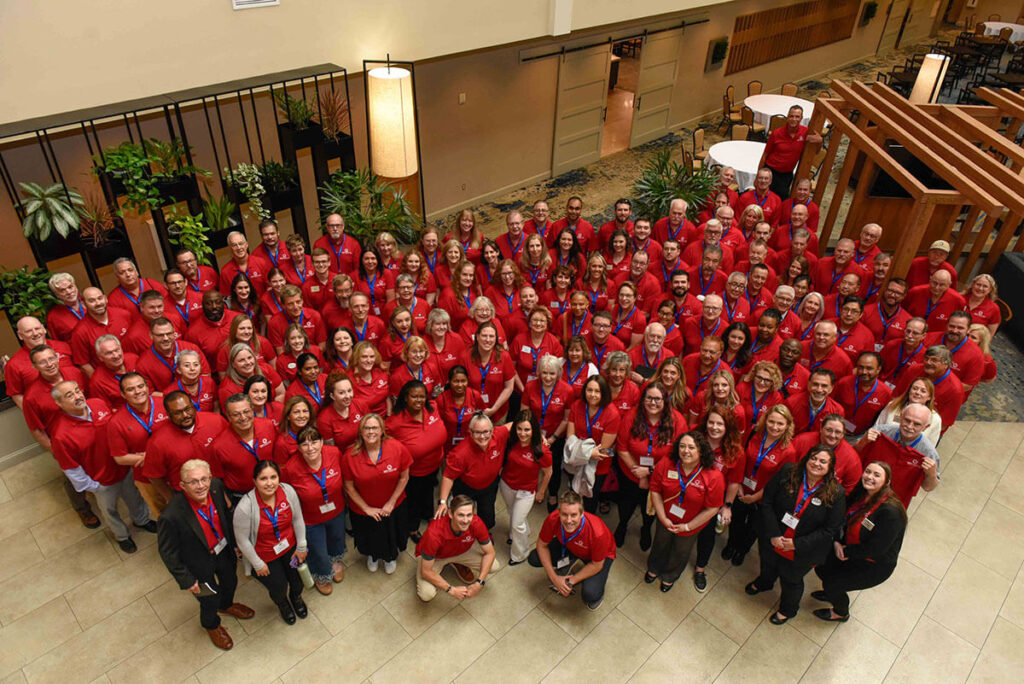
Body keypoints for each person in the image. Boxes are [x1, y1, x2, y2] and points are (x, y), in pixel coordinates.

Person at [156, 459, 255, 650]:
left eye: (204, 479)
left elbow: (226, 517)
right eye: (193, 482)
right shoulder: (171, 515)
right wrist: (186, 579)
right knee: (209, 599)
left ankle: (226, 605)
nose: (200, 486)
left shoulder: (216, 487)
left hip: (224, 551)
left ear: (210, 478)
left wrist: (235, 544)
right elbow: (167, 552)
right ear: (182, 485)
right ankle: (211, 624)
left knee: (230, 582)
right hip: (197, 563)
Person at [49, 381, 155, 553]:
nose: (77, 396)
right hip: (101, 481)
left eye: (77, 391)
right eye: (69, 395)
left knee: (135, 498)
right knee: (109, 511)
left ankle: (142, 520)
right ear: (59, 403)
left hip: (124, 468)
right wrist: (93, 487)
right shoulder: (61, 435)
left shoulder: (98, 404)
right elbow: (71, 469)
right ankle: (122, 536)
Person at [746, 445, 845, 624]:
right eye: (813, 458)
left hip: (802, 549)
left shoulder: (836, 493)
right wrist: (774, 534)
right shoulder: (788, 472)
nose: (816, 463)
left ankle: (788, 610)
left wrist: (796, 544)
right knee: (768, 563)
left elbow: (829, 530)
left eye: (823, 461)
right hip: (774, 536)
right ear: (807, 459)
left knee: (791, 580)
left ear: (830, 467)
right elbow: (767, 501)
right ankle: (764, 583)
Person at [812, 461, 907, 622]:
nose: (870, 477)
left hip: (873, 564)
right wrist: (837, 542)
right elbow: (843, 516)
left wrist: (845, 551)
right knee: (821, 568)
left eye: (877, 475)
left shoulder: (891, 512)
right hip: (848, 547)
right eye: (868, 472)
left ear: (887, 482)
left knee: (833, 584)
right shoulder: (862, 492)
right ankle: (830, 592)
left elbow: (877, 548)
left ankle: (840, 612)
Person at [645, 431, 725, 593]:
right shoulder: (667, 463)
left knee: (681, 551)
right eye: (682, 446)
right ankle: (653, 568)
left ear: (701, 451)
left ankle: (669, 576)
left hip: (691, 524)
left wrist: (688, 527)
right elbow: (655, 490)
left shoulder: (713, 476)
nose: (685, 451)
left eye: (691, 447)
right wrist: (662, 517)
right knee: (660, 543)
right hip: (665, 517)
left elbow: (713, 508)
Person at [233, 460, 308, 624]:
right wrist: (257, 563)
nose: (269, 483)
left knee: (297, 580)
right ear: (254, 481)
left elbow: (297, 518)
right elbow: (242, 540)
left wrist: (302, 546)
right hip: (265, 555)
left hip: (290, 547)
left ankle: (296, 598)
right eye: (263, 478)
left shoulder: (288, 491)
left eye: (273, 477)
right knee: (278, 587)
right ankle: (283, 604)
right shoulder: (245, 507)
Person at [614, 382, 686, 550]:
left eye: (657, 399)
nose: (653, 403)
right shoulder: (632, 416)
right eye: (649, 398)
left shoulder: (677, 421)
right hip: (630, 472)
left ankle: (646, 529)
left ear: (665, 401)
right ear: (643, 399)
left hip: (658, 476)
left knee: (650, 508)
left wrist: (649, 471)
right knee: (626, 504)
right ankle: (622, 525)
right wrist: (637, 472)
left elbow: (677, 455)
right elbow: (622, 448)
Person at [722, 405, 797, 567]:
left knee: (753, 527)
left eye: (780, 423)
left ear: (787, 425)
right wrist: (738, 483)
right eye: (771, 421)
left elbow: (779, 482)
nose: (775, 427)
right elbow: (740, 457)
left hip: (763, 498)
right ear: (765, 420)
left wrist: (755, 497)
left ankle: (742, 550)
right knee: (736, 521)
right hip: (741, 489)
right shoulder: (753, 432)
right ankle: (732, 544)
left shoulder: (789, 451)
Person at [341, 414, 413, 573]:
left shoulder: (397, 447)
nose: (370, 432)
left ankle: (390, 557)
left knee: (392, 534)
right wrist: (366, 508)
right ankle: (372, 556)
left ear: (382, 430)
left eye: (374, 428)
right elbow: (349, 487)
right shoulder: (350, 456)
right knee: (370, 536)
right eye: (366, 428)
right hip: (364, 510)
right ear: (361, 432)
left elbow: (404, 477)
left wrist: (391, 502)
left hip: (393, 506)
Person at [281, 426, 346, 594]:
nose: (310, 448)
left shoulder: (334, 453)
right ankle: (322, 574)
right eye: (304, 444)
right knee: (317, 548)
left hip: (336, 509)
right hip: (310, 518)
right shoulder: (291, 468)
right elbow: (287, 495)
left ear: (322, 442)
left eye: (314, 442)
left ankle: (335, 562)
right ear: (298, 447)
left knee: (336, 539)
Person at [529, 489, 616, 610]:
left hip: (597, 558)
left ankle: (594, 590)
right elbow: (541, 545)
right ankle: (572, 560)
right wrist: (554, 578)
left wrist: (570, 581)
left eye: (574, 515)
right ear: (559, 512)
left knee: (590, 594)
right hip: (570, 545)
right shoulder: (553, 519)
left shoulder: (597, 533)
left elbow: (596, 565)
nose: (569, 520)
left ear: (582, 513)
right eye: (564, 514)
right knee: (534, 558)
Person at [386, 380, 447, 543]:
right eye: (414, 396)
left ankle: (428, 514)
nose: (419, 400)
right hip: (415, 473)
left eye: (422, 396)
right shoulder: (395, 422)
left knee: (429, 492)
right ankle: (413, 528)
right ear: (405, 398)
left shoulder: (433, 407)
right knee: (414, 501)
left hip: (435, 465)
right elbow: (385, 442)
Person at [106, 373, 170, 517]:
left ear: (147, 387)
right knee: (163, 512)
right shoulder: (116, 423)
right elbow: (120, 458)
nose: (137, 391)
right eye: (131, 389)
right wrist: (151, 459)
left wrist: (155, 456)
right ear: (123, 394)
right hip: (146, 477)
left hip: (175, 467)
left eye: (141, 386)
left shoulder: (165, 403)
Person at [415, 495, 498, 601]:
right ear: (450, 513)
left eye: (469, 515)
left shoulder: (476, 523)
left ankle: (457, 563)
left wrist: (479, 583)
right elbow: (426, 571)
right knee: (426, 594)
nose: (465, 520)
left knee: (494, 566)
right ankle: (451, 563)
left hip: (461, 551)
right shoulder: (434, 533)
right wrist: (451, 590)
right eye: (461, 515)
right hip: (436, 558)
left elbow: (490, 553)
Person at [437, 412, 511, 530]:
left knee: (487, 517)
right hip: (466, 488)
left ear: (492, 431)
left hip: (489, 486)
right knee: (462, 517)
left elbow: (514, 424)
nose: (482, 436)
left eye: (486, 432)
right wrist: (443, 502)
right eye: (477, 432)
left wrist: (538, 435)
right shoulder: (460, 453)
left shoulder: (499, 434)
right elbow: (448, 476)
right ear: (470, 432)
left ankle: (484, 533)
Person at [857, 404, 941, 505]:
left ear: (925, 427)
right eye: (907, 420)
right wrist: (863, 442)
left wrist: (931, 474)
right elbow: (855, 455)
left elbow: (928, 487)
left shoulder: (928, 453)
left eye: (917, 424)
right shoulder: (880, 432)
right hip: (862, 490)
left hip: (892, 502)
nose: (909, 426)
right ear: (901, 417)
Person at [212, 394, 278, 504]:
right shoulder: (219, 446)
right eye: (236, 414)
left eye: (246, 412)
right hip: (241, 497)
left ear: (252, 410)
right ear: (228, 417)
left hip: (272, 489)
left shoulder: (268, 426)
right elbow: (217, 479)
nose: (243, 418)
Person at [758, 105, 822, 198]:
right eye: (791, 116)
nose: (794, 119)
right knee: (763, 197)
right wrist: (758, 176)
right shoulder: (776, 133)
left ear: (801, 118)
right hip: (771, 171)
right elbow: (765, 155)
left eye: (797, 117)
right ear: (787, 117)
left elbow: (816, 152)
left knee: (781, 199)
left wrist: (820, 142)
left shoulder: (805, 132)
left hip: (786, 175)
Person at [316, 372, 367, 452]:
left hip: (365, 449)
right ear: (332, 396)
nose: (347, 396)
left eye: (349, 391)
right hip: (344, 456)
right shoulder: (324, 419)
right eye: (341, 393)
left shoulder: (360, 404)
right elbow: (331, 451)